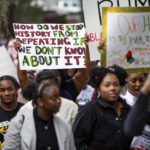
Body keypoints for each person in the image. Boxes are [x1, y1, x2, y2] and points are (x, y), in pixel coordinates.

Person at [73, 65, 132, 150]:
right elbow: (76, 140)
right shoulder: (89, 110)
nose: (112, 88)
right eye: (107, 85)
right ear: (98, 89)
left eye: (116, 84)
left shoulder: (128, 109)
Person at [3, 82, 76, 150]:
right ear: (40, 101)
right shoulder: (19, 123)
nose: (59, 101)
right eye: (54, 98)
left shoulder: (64, 125)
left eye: (58, 97)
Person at [124, 73, 150, 141]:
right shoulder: (120, 103)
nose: (138, 84)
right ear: (126, 81)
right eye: (133, 81)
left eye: (141, 80)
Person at [0, 75, 23, 147]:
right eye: (2, 90)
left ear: (16, 89)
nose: (6, 93)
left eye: (10, 89)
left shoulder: (26, 110)